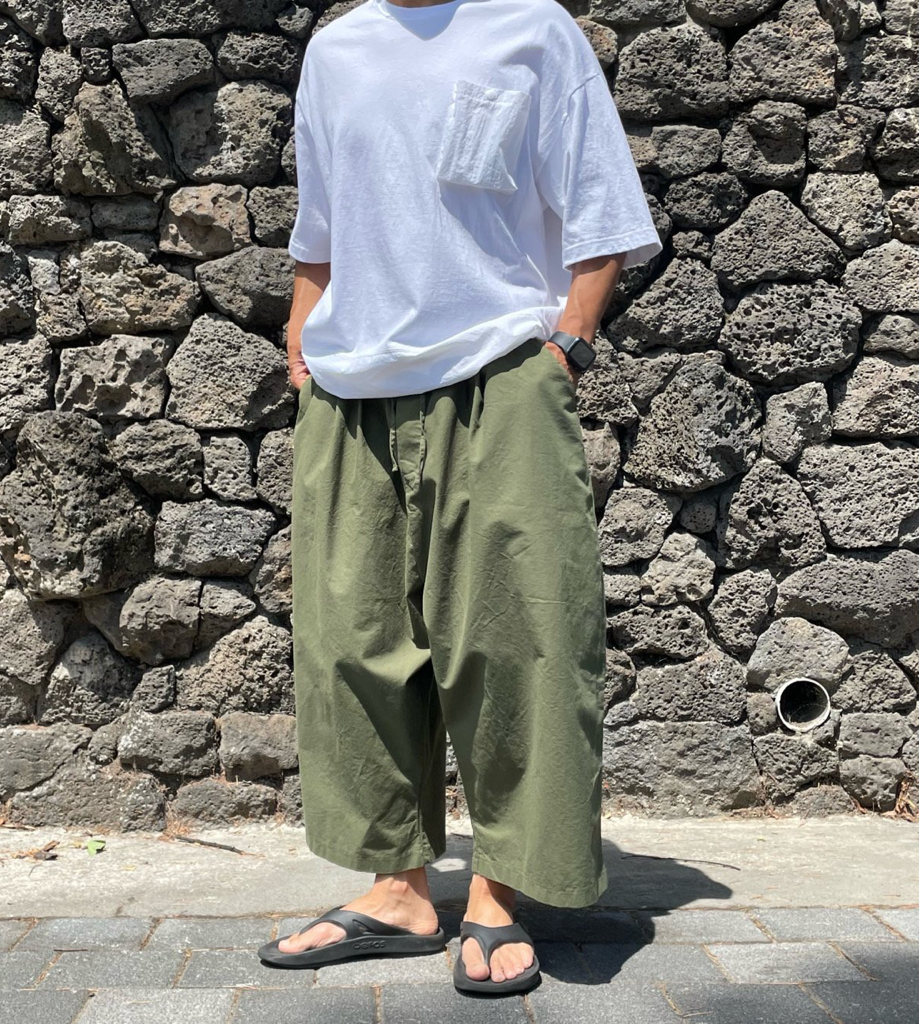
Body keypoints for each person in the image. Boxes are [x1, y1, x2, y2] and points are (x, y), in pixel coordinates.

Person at [257, 0, 662, 996]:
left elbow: (601, 207)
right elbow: (323, 222)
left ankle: (496, 891)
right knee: (351, 645)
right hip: (348, 386)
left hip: (498, 375)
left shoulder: (531, 29)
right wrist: (300, 339)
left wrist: (567, 345)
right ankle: (397, 891)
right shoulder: (337, 50)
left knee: (516, 640)